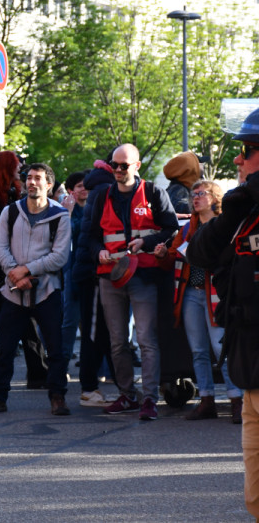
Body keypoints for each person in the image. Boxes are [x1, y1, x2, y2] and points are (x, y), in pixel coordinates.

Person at [187, 108, 259, 518]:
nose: (238, 160)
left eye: (247, 151)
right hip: (249, 368)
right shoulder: (242, 208)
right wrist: (233, 209)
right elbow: (201, 253)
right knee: (254, 493)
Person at [87, 143, 178, 420]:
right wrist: (98, 252)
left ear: (136, 166)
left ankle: (149, 398)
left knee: (146, 339)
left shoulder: (153, 192)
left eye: (123, 165)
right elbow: (89, 237)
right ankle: (127, 395)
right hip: (111, 277)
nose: (116, 170)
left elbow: (171, 228)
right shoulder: (102, 196)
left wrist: (146, 241)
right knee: (117, 341)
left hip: (144, 276)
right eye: (114, 164)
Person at [0, 163, 72, 415]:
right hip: (13, 291)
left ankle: (57, 396)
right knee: (5, 348)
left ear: (49, 185)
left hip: (47, 290)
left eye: (38, 178)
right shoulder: (11, 212)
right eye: (28, 178)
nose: (31, 182)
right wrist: (15, 274)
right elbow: (0, 249)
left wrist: (26, 270)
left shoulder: (60, 215)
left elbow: (59, 257)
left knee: (55, 348)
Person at [155, 179, 242, 422]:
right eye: (193, 194)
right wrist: (163, 254)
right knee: (198, 350)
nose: (195, 198)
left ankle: (236, 400)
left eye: (201, 193)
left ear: (215, 198)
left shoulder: (224, 226)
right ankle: (206, 400)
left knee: (220, 347)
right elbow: (171, 258)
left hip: (214, 294)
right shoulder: (186, 229)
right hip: (191, 294)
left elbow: (227, 258)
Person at [0, 151, 49, 389]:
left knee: (26, 313)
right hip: (0, 263)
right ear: (6, 168)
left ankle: (36, 372)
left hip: (18, 259)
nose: (21, 169)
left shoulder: (16, 193)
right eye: (17, 165)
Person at [71, 163, 118, 407]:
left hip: (97, 271)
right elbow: (93, 234)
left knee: (105, 332)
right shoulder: (106, 190)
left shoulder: (100, 187)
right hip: (95, 272)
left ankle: (119, 386)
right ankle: (90, 388)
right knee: (98, 332)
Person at [59, 171, 88, 372]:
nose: (84, 188)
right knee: (70, 320)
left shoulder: (96, 208)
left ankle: (94, 367)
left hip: (92, 269)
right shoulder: (65, 211)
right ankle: (62, 365)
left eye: (86, 185)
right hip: (72, 270)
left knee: (92, 322)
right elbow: (64, 238)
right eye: (79, 186)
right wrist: (67, 213)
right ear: (71, 191)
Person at [162, 151, 201, 218]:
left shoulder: (181, 187)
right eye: (199, 162)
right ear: (191, 169)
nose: (202, 165)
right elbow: (180, 208)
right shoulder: (178, 189)